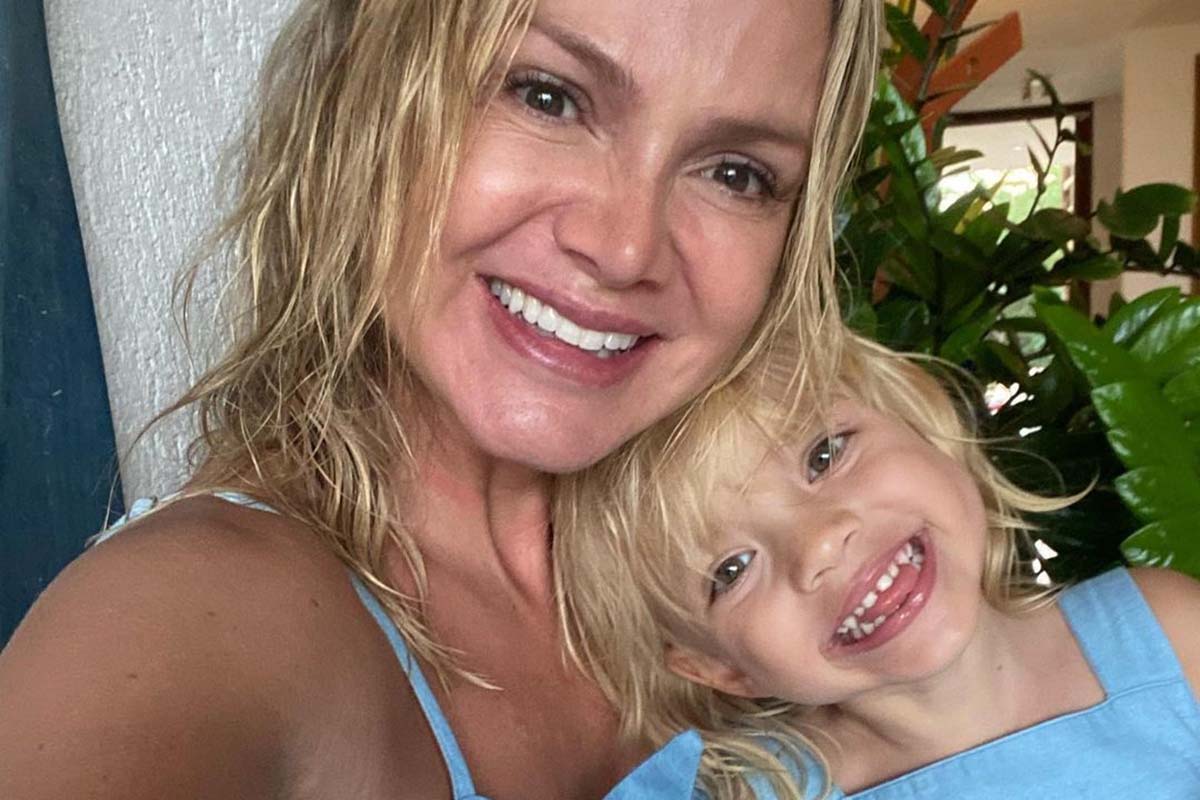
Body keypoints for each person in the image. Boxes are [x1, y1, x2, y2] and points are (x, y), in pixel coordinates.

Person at [0, 0, 882, 797]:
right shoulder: (191, 616)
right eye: (547, 97)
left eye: (736, 174)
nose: (624, 249)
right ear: (365, 94)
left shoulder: (762, 571)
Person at [555, 333, 1200, 799]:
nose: (821, 543)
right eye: (731, 570)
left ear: (921, 422)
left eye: (825, 454)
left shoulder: (1167, 633)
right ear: (719, 667)